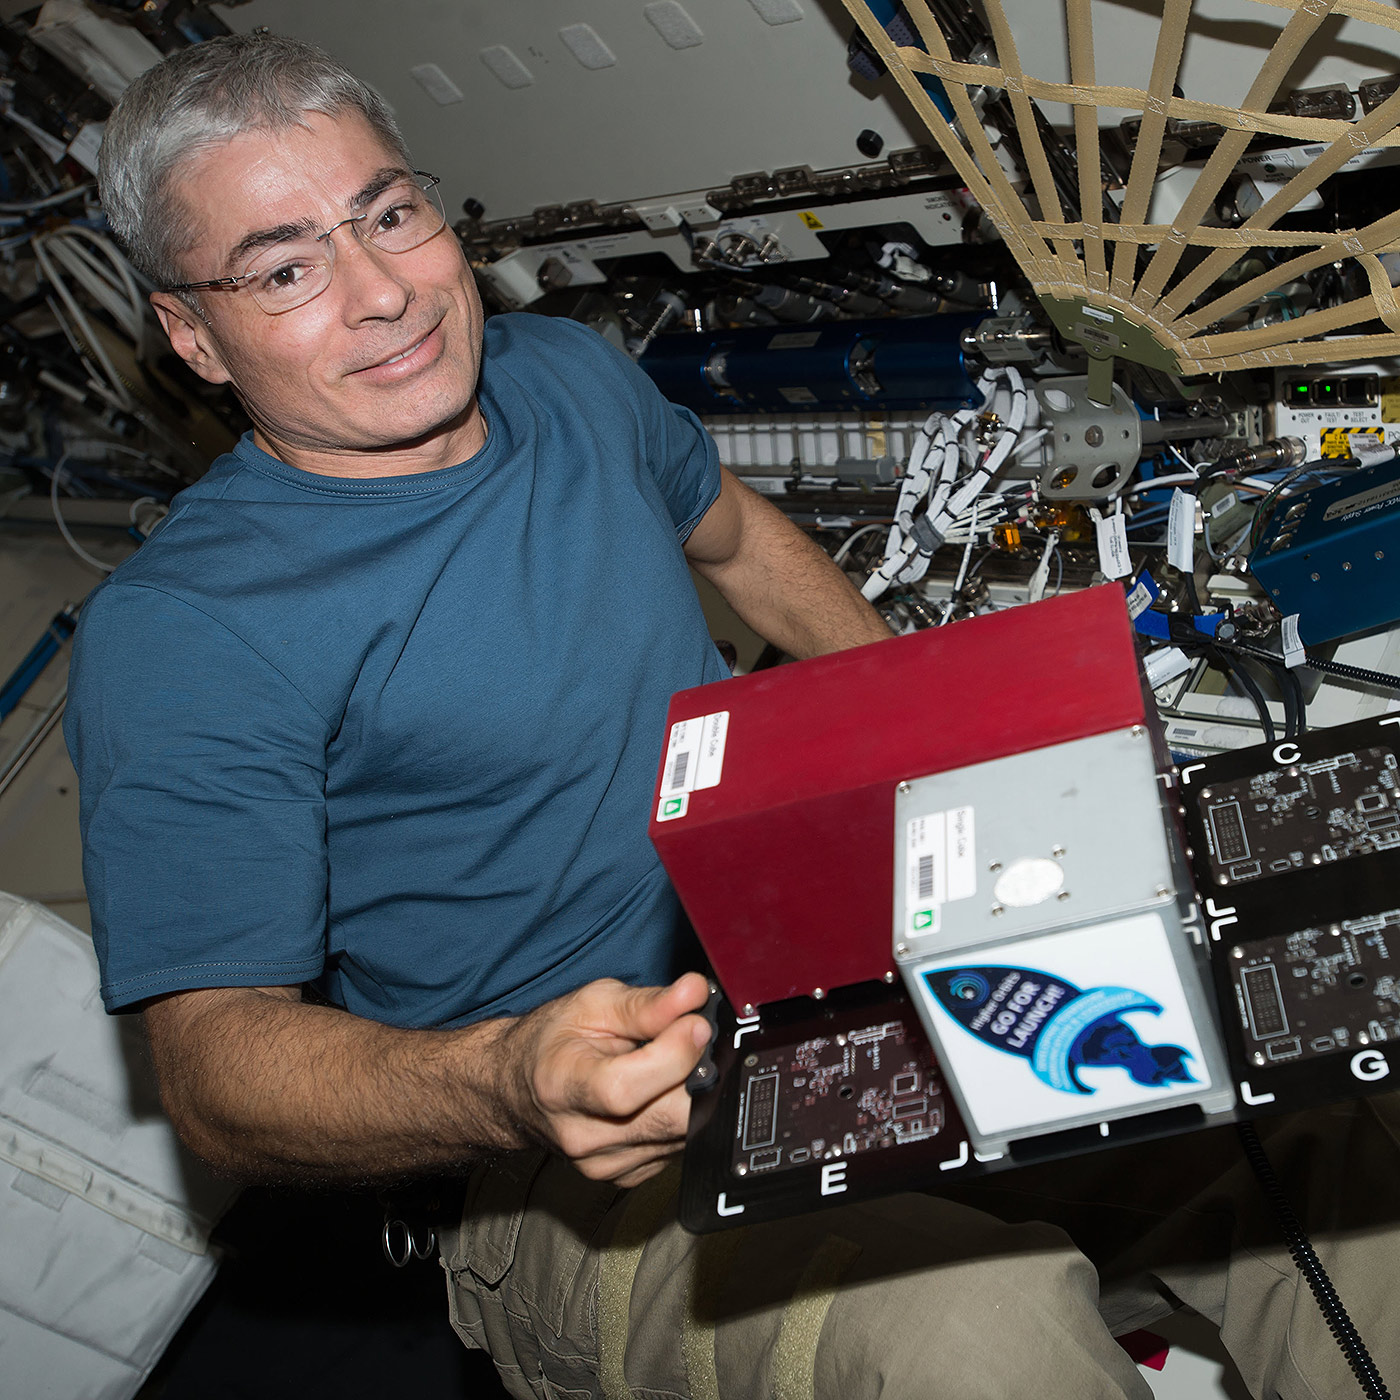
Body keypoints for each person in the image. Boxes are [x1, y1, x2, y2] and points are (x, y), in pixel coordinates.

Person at [66, 33, 1400, 1400]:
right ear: (192, 332)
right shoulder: (187, 633)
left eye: (390, 215)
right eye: (287, 269)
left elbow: (735, 534)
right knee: (969, 1327)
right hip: (562, 1151)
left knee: (1328, 1135)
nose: (383, 295)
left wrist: (933, 728)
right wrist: (513, 1076)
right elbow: (215, 1064)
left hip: (820, 962)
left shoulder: (557, 375)